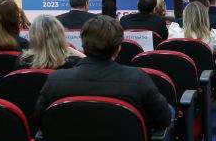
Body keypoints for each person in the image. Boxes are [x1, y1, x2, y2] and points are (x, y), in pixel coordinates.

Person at [34, 16, 172, 131]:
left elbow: (39, 122)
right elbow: (163, 119)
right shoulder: (138, 79)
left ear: (83, 45)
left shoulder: (55, 81)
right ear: (118, 48)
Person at [14, 14, 84, 71]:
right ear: (61, 35)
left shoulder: (22, 61)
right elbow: (89, 67)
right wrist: (70, 50)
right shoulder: (75, 64)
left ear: (33, 37)